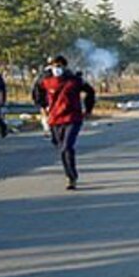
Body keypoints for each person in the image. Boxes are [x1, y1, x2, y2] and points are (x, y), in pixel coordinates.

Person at [32, 55, 96, 190]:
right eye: (55, 65)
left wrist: (88, 109)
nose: (57, 68)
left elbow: (90, 91)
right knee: (61, 147)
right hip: (55, 119)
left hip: (73, 118)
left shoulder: (74, 80)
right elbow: (37, 92)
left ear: (65, 66)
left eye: (60, 65)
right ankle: (69, 172)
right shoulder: (45, 80)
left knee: (67, 147)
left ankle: (71, 177)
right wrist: (43, 106)